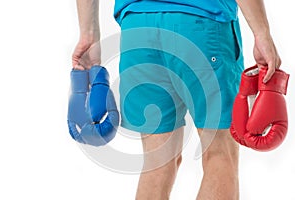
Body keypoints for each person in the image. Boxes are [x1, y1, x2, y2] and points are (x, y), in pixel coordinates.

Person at [72, 0, 281, 199]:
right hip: (201, 24)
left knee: (157, 162)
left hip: (137, 29)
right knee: (219, 154)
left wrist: (88, 35)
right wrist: (262, 33)